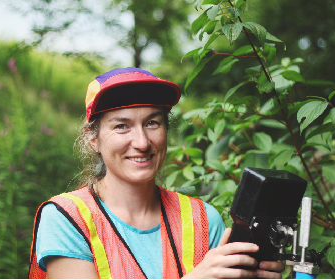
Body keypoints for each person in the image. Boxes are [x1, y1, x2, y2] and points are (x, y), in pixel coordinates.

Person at [29, 67, 285, 279]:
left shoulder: (204, 219)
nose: (142, 142)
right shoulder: (66, 219)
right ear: (93, 139)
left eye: (152, 123)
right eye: (121, 126)